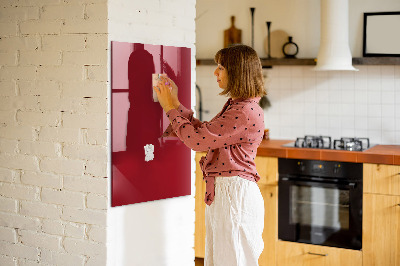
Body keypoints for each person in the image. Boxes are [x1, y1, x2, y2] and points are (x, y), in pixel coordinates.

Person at [153, 44, 266, 266]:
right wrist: (175, 104)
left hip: (234, 195)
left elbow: (197, 141)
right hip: (228, 193)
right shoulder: (239, 106)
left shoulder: (243, 111)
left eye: (221, 67)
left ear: (237, 71)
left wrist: (169, 108)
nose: (215, 72)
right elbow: (205, 133)